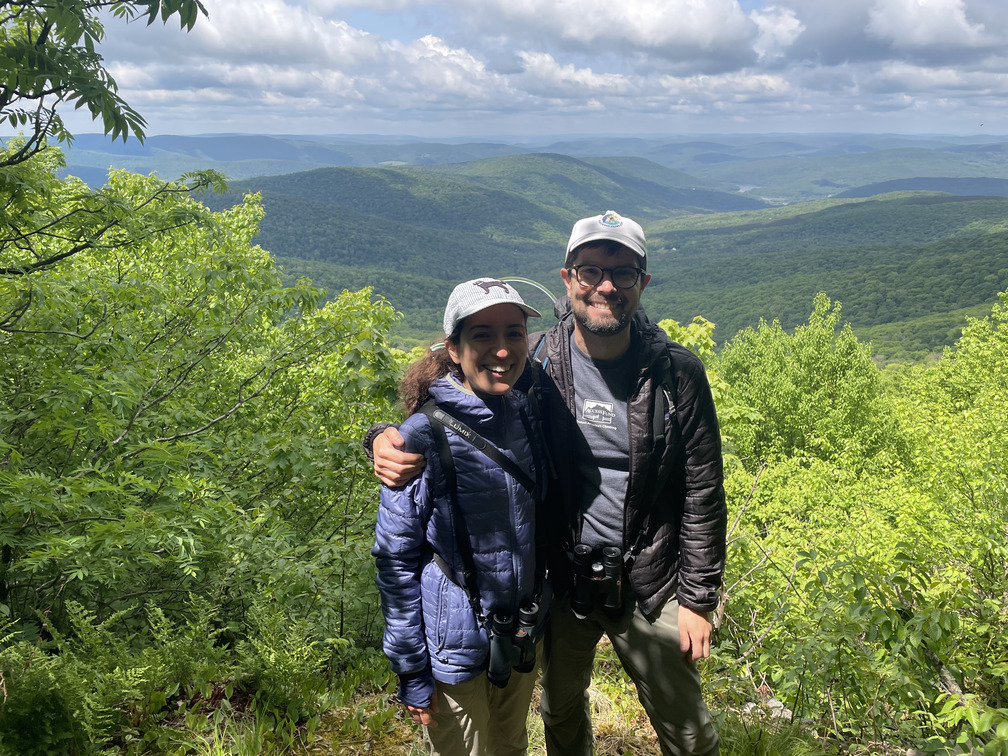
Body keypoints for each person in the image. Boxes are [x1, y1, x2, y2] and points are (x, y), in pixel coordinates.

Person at [371, 211, 727, 756]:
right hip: (563, 580)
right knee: (560, 709)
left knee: (687, 729)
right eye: (590, 271)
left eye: (623, 272)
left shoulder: (677, 374)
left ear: (643, 284)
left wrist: (698, 597)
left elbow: (703, 487)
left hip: (651, 581)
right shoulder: (536, 358)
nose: (606, 285)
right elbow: (455, 397)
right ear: (568, 279)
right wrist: (382, 436)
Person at [371, 277, 550, 756]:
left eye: (514, 333)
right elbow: (395, 560)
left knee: (511, 746)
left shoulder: (525, 411)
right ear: (452, 348)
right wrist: (410, 670)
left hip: (520, 630)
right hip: (456, 643)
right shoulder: (423, 435)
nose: (502, 350)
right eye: (483, 335)